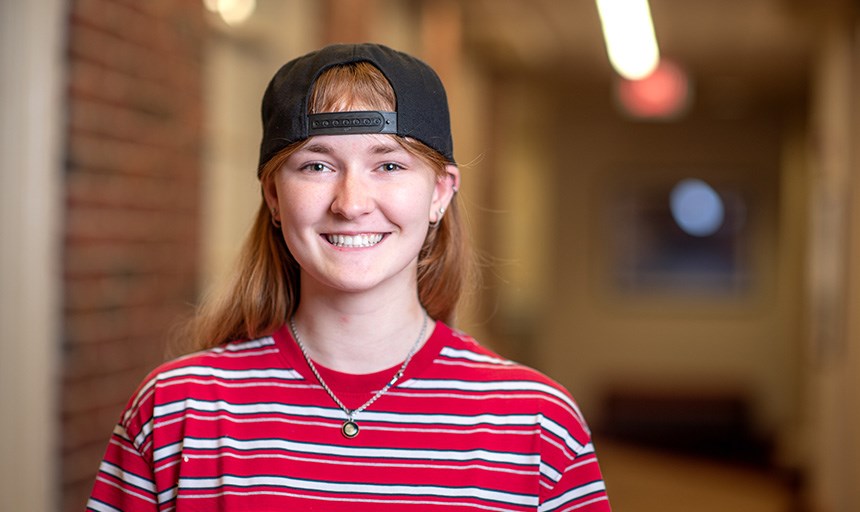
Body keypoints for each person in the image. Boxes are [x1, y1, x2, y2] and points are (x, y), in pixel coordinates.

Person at [87, 43, 611, 511]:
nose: (351, 204)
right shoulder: (176, 412)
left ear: (440, 192)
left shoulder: (537, 425)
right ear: (273, 196)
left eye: (389, 165)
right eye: (317, 166)